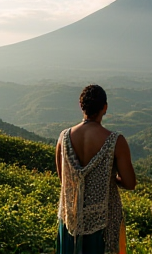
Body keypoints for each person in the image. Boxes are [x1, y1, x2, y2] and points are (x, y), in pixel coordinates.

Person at [55, 84, 136, 254]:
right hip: (103, 219)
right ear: (104, 108)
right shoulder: (116, 141)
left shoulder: (63, 138)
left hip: (71, 217)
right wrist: (109, 177)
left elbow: (64, 180)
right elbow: (130, 183)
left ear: (81, 106)